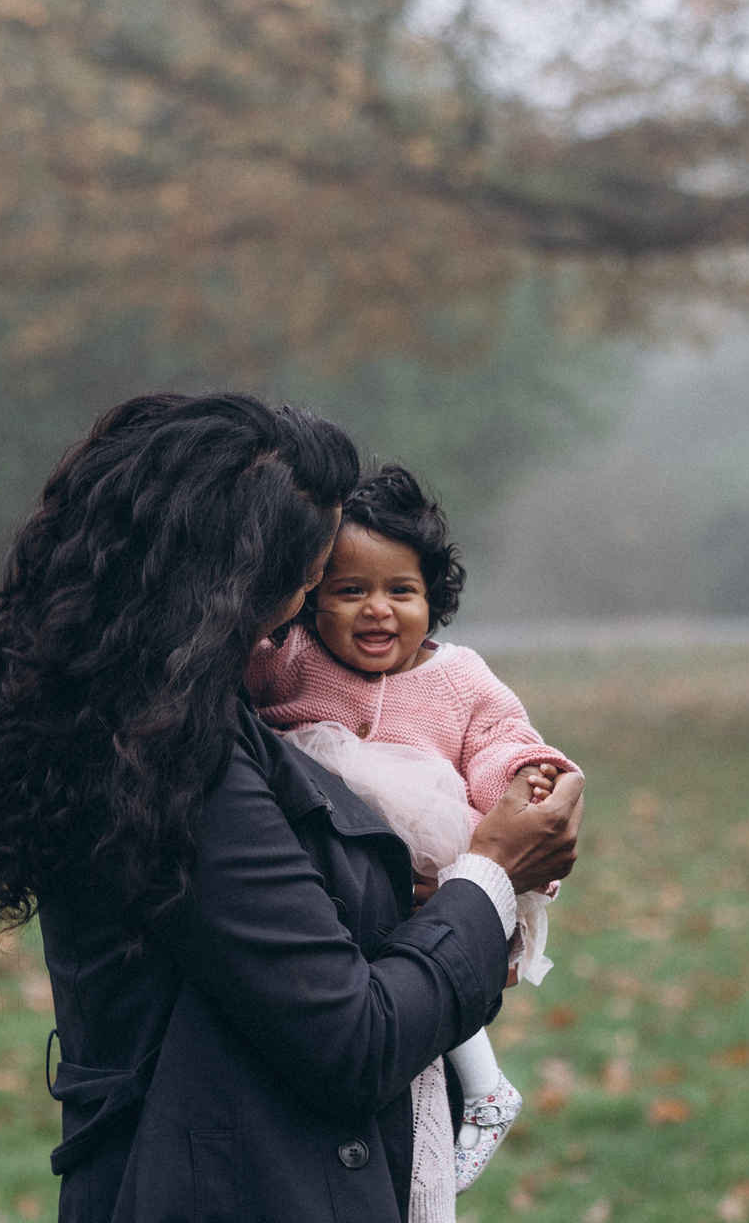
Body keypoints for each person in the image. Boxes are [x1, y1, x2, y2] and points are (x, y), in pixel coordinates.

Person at [0, 394, 581, 1223]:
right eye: (310, 584)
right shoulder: (169, 756)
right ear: (233, 585)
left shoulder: (146, 713)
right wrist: (491, 879)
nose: (303, 618)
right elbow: (352, 1038)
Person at [243, 464, 576, 1189]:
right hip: (328, 861)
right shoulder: (289, 661)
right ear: (310, 600)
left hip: (430, 855)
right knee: (365, 988)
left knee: (432, 954)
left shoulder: (457, 677)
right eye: (350, 591)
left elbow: (498, 740)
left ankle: (484, 1086)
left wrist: (528, 775)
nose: (378, 611)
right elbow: (225, 678)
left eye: (402, 591)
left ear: (434, 598)